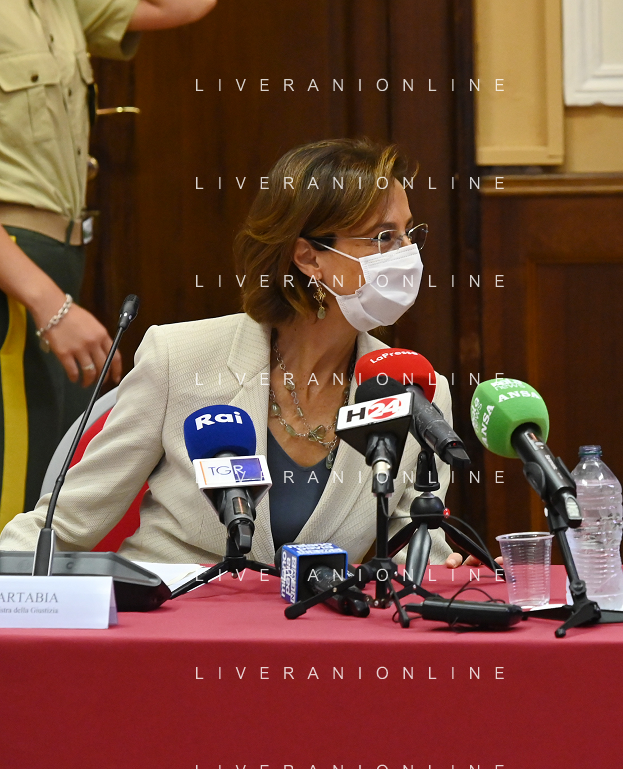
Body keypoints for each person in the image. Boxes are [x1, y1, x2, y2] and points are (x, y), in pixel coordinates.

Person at [0, 138, 470, 568]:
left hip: (313, 629)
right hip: (176, 619)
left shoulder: (416, 391)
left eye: (409, 233)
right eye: (384, 237)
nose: (408, 254)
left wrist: (445, 571)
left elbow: (417, 548)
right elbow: (63, 525)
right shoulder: (178, 359)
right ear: (308, 258)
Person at [0, 0, 217, 521]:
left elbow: (182, 6)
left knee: (41, 485)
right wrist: (50, 305)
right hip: (15, 268)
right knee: (12, 490)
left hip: (55, 258)